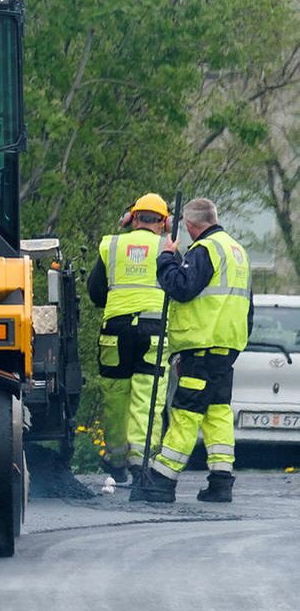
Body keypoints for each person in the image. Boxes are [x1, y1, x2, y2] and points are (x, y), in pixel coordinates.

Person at [131, 197, 253, 504]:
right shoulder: (237, 252)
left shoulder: (205, 250)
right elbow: (248, 308)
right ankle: (221, 481)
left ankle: (162, 480)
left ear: (189, 225)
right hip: (226, 348)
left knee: (186, 411)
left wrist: (167, 259)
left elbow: (182, 288)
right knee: (217, 413)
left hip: (202, 346)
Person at [86, 193, 170, 484]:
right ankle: (141, 461)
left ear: (131, 218)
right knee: (146, 396)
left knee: (115, 396)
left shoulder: (111, 244)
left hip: (115, 331)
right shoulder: (167, 247)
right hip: (153, 332)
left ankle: (117, 459)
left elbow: (96, 291)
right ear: (165, 222)